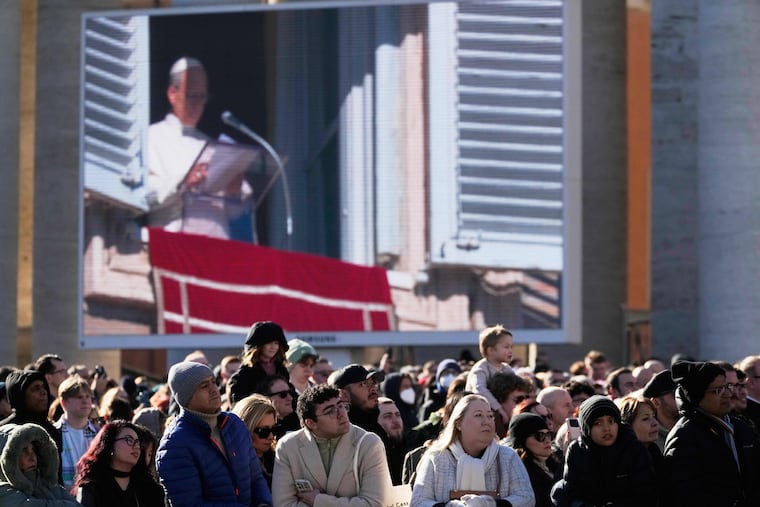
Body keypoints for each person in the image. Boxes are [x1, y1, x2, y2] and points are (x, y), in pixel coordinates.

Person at [145, 56, 252, 239]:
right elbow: (142, 194)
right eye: (192, 96)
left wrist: (233, 192)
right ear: (172, 93)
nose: (198, 104)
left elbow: (237, 213)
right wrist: (183, 182)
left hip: (217, 246)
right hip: (175, 243)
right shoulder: (152, 136)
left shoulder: (210, 146)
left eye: (202, 97)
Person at [157, 361, 272, 507]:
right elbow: (190, 503)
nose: (214, 389)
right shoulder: (174, 444)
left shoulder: (234, 424)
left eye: (213, 382)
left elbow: (255, 477)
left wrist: (264, 504)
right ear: (187, 396)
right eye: (204, 386)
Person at [271, 384, 391, 506]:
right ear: (311, 423)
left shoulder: (369, 444)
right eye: (330, 411)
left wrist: (318, 501)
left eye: (341, 406)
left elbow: (374, 504)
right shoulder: (288, 447)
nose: (341, 414)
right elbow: (283, 504)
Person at [662, 360, 760, 506]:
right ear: (698, 396)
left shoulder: (739, 427)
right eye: (718, 390)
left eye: (728, 386)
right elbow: (685, 494)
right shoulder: (684, 436)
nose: (728, 394)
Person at [410, 393, 534, 507]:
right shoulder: (436, 458)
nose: (487, 421)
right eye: (478, 415)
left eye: (490, 416)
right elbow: (418, 502)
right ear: (458, 424)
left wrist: (491, 504)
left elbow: (526, 498)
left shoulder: (507, 456)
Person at [550, 395, 656, 507]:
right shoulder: (577, 450)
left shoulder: (633, 448)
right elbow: (571, 492)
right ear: (587, 427)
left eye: (611, 421)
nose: (607, 428)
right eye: (598, 423)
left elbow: (646, 494)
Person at [73, 420, 165, 507]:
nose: (136, 446)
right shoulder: (91, 488)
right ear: (110, 444)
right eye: (128, 440)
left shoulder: (151, 489)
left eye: (138, 442)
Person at [0, 423, 78, 506]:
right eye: (24, 450)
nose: (32, 457)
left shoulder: (49, 486)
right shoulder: (3, 491)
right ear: (6, 457)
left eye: (33, 449)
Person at [0, 370, 63, 466]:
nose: (43, 392)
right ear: (20, 395)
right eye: (35, 389)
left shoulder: (52, 430)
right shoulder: (5, 431)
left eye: (44, 387)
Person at [504, 413, 561, 507]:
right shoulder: (521, 472)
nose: (547, 440)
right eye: (540, 436)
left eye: (549, 435)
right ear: (522, 442)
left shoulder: (555, 463)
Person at [228, 321, 290, 405]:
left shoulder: (282, 370)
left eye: (276, 343)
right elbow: (238, 402)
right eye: (269, 343)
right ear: (259, 345)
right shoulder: (245, 373)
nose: (273, 347)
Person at [54, 375, 99, 489]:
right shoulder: (53, 433)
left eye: (88, 396)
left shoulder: (99, 435)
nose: (85, 401)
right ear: (64, 402)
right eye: (79, 397)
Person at [465, 325, 515, 423]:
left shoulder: (507, 369)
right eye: (506, 347)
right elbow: (479, 389)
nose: (510, 350)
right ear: (490, 350)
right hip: (478, 414)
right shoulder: (481, 368)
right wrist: (499, 408)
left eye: (511, 347)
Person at [232, 394, 279, 490]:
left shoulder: (279, 458)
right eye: (263, 431)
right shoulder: (236, 465)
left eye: (274, 429)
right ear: (246, 429)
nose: (270, 436)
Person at [331, 364, 386, 437]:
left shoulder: (377, 428)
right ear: (343, 394)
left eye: (373, 383)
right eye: (363, 384)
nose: (373, 388)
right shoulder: (343, 432)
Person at [641, 368, 678, 451]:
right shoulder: (649, 437)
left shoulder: (691, 428)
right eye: (674, 394)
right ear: (656, 402)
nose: (680, 399)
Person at [487, 372, 531, 438]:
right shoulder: (491, 428)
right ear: (499, 400)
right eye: (518, 400)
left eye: (527, 399)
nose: (524, 404)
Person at [418, 358, 461, 423]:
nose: (450, 376)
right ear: (438, 377)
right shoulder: (430, 405)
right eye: (446, 373)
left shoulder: (464, 400)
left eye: (454, 373)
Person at [377, 397, 406, 485]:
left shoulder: (410, 447)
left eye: (397, 415)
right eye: (387, 416)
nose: (395, 420)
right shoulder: (374, 455)